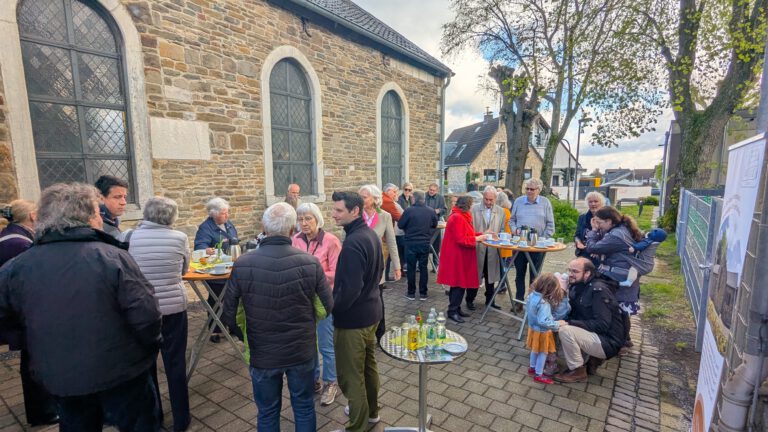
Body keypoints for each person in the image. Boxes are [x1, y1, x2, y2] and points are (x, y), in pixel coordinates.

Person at [0, 183, 162, 430]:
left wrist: (37, 344)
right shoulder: (112, 257)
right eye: (97, 212)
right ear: (86, 217)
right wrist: (149, 348)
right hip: (122, 372)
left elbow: (8, 318)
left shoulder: (16, 267)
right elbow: (147, 315)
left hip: (61, 377)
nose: (100, 217)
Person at [222, 202, 332, 432]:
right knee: (303, 407)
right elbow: (326, 306)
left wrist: (245, 336)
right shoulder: (309, 262)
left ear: (264, 227)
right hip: (301, 349)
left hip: (263, 351)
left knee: (268, 411)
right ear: (293, 230)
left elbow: (230, 313)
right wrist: (308, 321)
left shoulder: (243, 263)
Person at [128, 197, 191, 432]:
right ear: (171, 217)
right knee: (175, 363)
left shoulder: (128, 237)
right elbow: (184, 269)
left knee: (147, 364)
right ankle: (181, 419)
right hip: (174, 308)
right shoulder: (179, 238)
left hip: (141, 310)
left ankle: (153, 418)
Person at [0, 200, 58, 426]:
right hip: (25, 315)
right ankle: (43, 411)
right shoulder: (19, 244)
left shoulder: (11, 236)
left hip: (19, 313)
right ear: (33, 216)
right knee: (34, 364)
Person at [329, 191, 383, 432]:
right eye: (334, 209)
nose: (333, 214)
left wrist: (332, 308)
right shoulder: (369, 234)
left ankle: (357, 427)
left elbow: (350, 289)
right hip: (371, 313)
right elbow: (376, 273)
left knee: (352, 378)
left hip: (353, 321)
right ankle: (371, 414)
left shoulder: (353, 243)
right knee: (367, 369)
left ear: (355, 211)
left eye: (339, 210)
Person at [291, 203, 342, 405]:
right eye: (300, 219)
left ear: (317, 219)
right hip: (302, 301)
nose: (304, 223)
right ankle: (314, 380)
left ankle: (331, 383)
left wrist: (313, 275)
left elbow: (338, 274)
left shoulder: (331, 241)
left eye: (308, 218)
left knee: (326, 345)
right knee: (308, 343)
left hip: (323, 300)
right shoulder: (295, 240)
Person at [553, 258, 626, 383]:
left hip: (608, 341)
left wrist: (569, 323)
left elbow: (602, 325)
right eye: (569, 270)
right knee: (557, 325)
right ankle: (591, 360)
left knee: (565, 330)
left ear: (587, 273)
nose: (570, 274)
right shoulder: (578, 285)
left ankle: (578, 371)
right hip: (596, 335)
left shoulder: (598, 290)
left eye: (575, 271)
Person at [584, 206, 645, 351]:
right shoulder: (623, 229)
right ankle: (625, 340)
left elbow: (592, 247)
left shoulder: (616, 236)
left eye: (600, 222)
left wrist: (593, 232)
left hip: (620, 278)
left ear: (609, 221)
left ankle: (622, 342)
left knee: (620, 310)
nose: (598, 225)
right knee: (621, 309)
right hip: (625, 276)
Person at [194, 197, 241, 343]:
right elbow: (200, 248)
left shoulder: (228, 224)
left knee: (233, 297)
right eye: (223, 213)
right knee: (216, 298)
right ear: (213, 214)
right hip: (215, 271)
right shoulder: (205, 228)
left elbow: (235, 240)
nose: (227, 216)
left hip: (231, 268)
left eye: (227, 213)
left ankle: (232, 325)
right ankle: (215, 329)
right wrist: (207, 250)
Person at [359, 185, 400, 342]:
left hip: (376, 267)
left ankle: (380, 334)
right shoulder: (355, 215)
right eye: (360, 196)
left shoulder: (385, 216)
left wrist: (397, 266)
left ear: (375, 199)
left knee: (377, 301)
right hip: (358, 267)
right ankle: (363, 333)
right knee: (360, 301)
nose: (360, 200)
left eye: (364, 197)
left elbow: (391, 242)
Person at [509, 178, 555, 311]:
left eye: (532, 189)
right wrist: (514, 230)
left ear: (539, 190)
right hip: (520, 245)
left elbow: (550, 225)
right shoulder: (518, 201)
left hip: (537, 246)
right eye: (527, 188)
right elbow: (511, 221)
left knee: (535, 277)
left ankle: (532, 303)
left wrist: (542, 240)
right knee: (519, 274)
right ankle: (518, 301)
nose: (529, 191)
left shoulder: (545, 203)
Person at [437, 196, 485, 323]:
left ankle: (456, 308)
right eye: (471, 204)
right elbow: (461, 239)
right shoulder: (457, 217)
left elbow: (467, 234)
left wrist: (482, 235)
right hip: (457, 256)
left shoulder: (460, 216)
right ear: (467, 205)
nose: (472, 207)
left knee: (459, 285)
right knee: (458, 284)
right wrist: (478, 239)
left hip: (460, 256)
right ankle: (452, 311)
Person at [468, 186, 506, 310]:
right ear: (483, 197)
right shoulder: (474, 209)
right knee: (474, 275)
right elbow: (469, 229)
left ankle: (490, 301)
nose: (488, 202)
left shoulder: (501, 211)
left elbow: (501, 230)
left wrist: (498, 236)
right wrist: (482, 234)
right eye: (486, 199)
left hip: (493, 250)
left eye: (491, 200)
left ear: (496, 198)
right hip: (477, 248)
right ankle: (469, 299)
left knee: (491, 277)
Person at [525, 273, 566, 385]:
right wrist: (558, 324)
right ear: (550, 289)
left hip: (532, 329)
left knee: (534, 349)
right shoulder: (544, 303)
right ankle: (539, 374)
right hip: (542, 332)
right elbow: (543, 321)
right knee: (543, 352)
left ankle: (532, 368)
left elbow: (527, 309)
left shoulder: (531, 296)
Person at [398, 190, 438, 300]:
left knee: (411, 268)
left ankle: (411, 293)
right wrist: (428, 233)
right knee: (423, 267)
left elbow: (401, 225)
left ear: (414, 199)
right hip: (424, 242)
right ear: (424, 199)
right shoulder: (430, 211)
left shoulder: (408, 211)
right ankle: (423, 293)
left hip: (410, 243)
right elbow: (435, 224)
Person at [94, 175, 129, 239]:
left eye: (124, 197)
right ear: (101, 198)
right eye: (117, 197)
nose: (123, 202)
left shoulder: (112, 222)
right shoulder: (97, 227)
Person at [381, 183, 403, 281]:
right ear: (388, 191)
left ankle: (383, 279)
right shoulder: (387, 201)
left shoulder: (382, 198)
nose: (395, 194)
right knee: (382, 261)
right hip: (383, 236)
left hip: (379, 234)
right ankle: (380, 282)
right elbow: (399, 218)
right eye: (394, 192)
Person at [574, 191, 606, 259]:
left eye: (596, 201)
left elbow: (609, 237)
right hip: (584, 252)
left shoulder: (607, 218)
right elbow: (577, 235)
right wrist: (578, 242)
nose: (593, 204)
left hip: (601, 254)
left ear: (602, 203)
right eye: (590, 202)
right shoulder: (582, 217)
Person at [424, 183, 447, 269]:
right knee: (425, 243)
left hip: (436, 223)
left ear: (436, 191)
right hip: (425, 223)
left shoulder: (440, 198)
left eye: (433, 191)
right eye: (430, 190)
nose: (431, 192)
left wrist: (439, 211)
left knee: (436, 245)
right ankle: (423, 264)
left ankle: (435, 264)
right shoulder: (424, 196)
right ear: (428, 189)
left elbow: (445, 209)